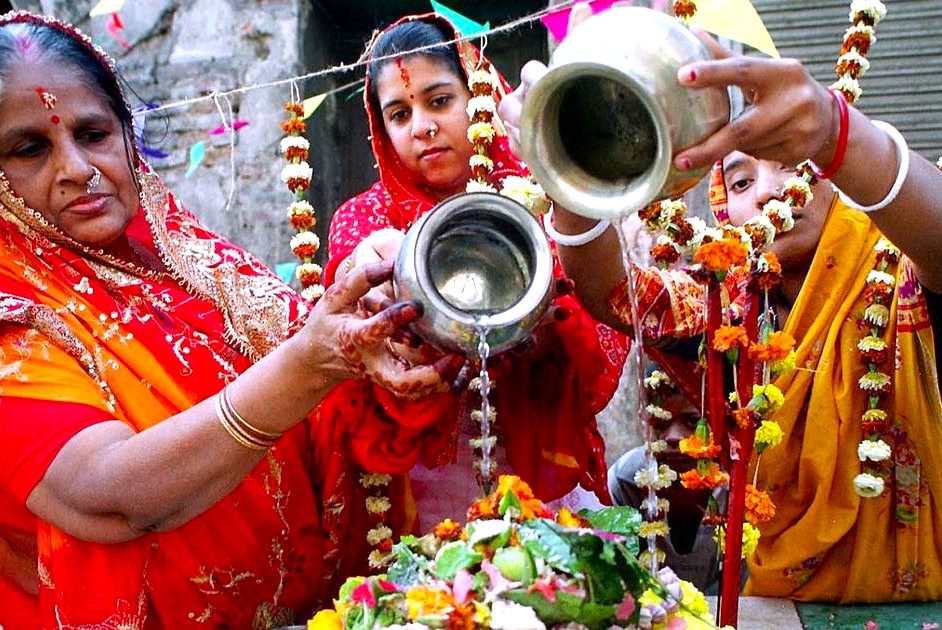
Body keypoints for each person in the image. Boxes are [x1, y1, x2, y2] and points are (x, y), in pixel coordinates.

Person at [0, 12, 464, 629]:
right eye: (30, 148)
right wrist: (312, 362)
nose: (78, 168)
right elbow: (104, 497)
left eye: (94, 134)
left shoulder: (197, 264)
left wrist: (384, 331)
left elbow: (330, 394)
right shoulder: (16, 315)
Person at [499, 2, 942, 603]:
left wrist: (841, 132)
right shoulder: (724, 306)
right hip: (776, 606)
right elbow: (612, 293)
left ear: (837, 171)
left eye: (792, 160)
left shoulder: (902, 271)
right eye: (738, 180)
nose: (764, 192)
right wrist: (568, 158)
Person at [324, 13, 628, 530]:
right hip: (421, 483)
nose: (421, 127)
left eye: (439, 101)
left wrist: (550, 329)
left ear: (479, 97)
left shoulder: (547, 198)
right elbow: (355, 356)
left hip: (537, 466)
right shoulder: (363, 220)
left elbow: (601, 325)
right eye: (399, 114)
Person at [607, 366, 721, 594]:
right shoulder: (625, 480)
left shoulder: (739, 485)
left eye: (692, 421)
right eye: (659, 422)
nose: (673, 436)